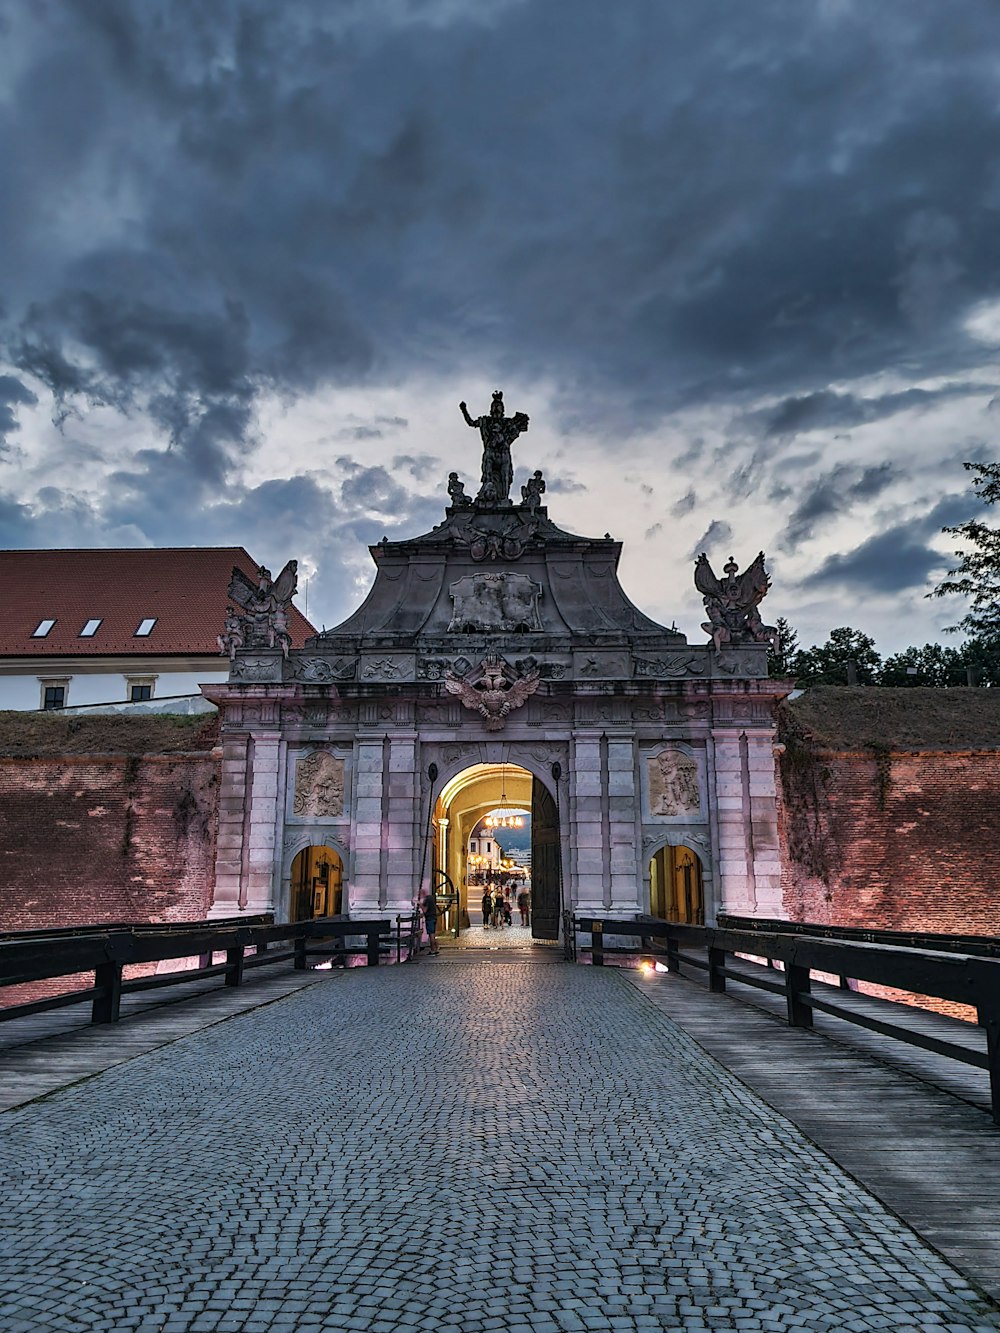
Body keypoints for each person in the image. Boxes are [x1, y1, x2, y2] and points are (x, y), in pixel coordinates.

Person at [423, 889, 439, 956]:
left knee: (431, 935)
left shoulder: (427, 900)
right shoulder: (431, 898)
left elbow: (425, 910)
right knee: (433, 935)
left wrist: (420, 904)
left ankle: (433, 950)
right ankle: (436, 949)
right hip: (434, 918)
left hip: (430, 918)